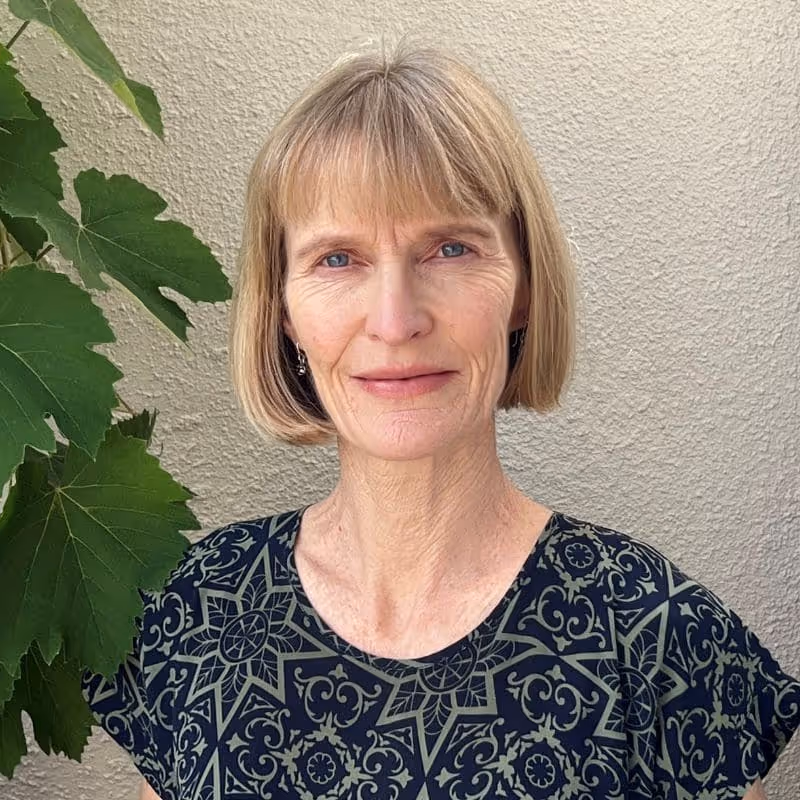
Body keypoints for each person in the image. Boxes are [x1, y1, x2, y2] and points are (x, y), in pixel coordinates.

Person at [82, 37, 800, 800]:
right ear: (284, 311)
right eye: (338, 259)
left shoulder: (657, 640)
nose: (395, 321)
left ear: (523, 287)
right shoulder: (200, 611)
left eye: (451, 249)